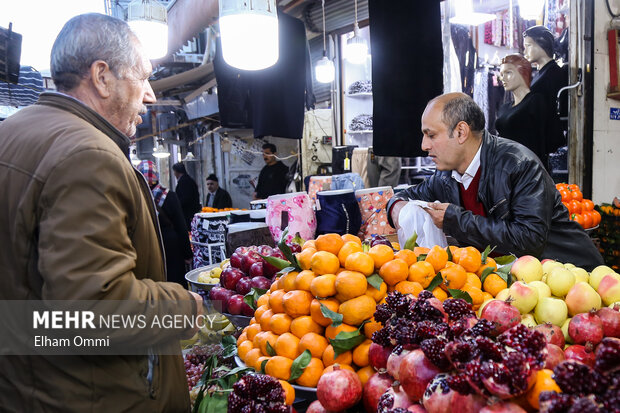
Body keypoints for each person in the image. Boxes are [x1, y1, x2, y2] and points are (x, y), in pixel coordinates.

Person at [0, 13, 201, 412]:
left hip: (27, 382)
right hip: (89, 395)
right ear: (102, 76)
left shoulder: (13, 133)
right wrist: (187, 306)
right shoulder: (87, 155)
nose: (150, 95)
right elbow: (94, 313)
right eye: (142, 77)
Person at [387, 93, 603, 270]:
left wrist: (456, 220)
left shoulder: (519, 165)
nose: (424, 145)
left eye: (431, 135)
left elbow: (529, 240)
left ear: (461, 132)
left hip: (569, 274)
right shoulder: (445, 177)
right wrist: (396, 207)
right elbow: (409, 195)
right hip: (512, 282)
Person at [138, 160, 193, 286]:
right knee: (175, 282)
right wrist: (187, 253)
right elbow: (181, 226)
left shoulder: (137, 199)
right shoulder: (169, 195)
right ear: (156, 175)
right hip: (171, 247)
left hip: (148, 247)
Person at [495, 54, 549, 167]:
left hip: (528, 169)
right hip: (504, 167)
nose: (503, 78)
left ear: (522, 73)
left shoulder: (535, 101)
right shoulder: (505, 107)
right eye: (501, 74)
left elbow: (545, 142)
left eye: (508, 73)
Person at [523, 25, 568, 155]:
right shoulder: (542, 73)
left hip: (546, 141)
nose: (525, 51)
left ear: (541, 44)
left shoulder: (553, 74)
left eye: (528, 45)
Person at [172, 162, 201, 229]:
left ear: (176, 171)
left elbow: (185, 199)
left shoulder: (184, 182)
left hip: (188, 214)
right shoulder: (189, 180)